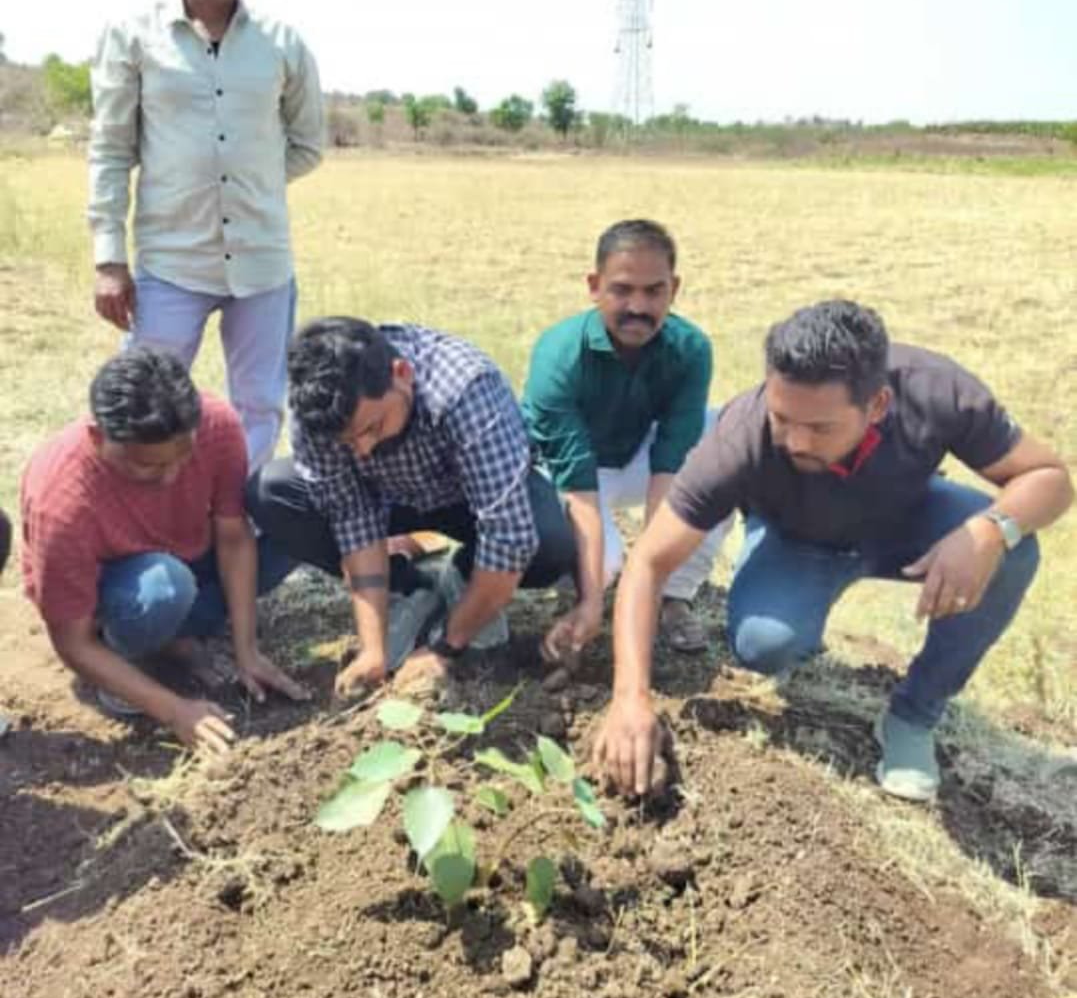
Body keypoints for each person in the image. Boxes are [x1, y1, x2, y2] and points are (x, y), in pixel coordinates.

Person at [596, 299, 1072, 802]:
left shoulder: (935, 391)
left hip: (906, 520)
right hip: (798, 538)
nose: (796, 441)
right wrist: (629, 697)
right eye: (784, 418)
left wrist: (989, 532)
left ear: (878, 405)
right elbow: (648, 562)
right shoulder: (741, 436)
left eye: (821, 427)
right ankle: (766, 546)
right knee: (764, 644)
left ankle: (913, 716)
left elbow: (1050, 477)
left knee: (1015, 550)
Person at [89, 0, 324, 472]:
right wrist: (109, 259)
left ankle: (235, 526)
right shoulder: (134, 37)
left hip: (263, 262)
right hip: (172, 262)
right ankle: (134, 520)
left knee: (261, 405)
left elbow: (307, 144)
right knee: (140, 399)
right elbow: (112, 149)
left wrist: (250, 186)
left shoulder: (282, 45)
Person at [248, 318, 577, 695]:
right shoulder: (320, 416)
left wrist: (442, 649)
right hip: (389, 499)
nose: (364, 450)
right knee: (271, 491)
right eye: (349, 442)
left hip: (469, 498)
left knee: (549, 543)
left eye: (373, 427)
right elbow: (353, 520)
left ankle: (468, 577)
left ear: (402, 374)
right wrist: (374, 651)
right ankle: (410, 586)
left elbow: (509, 536)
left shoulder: (464, 389)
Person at [20, 348, 307, 755]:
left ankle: (179, 635)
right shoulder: (61, 501)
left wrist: (247, 650)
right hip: (124, 593)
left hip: (188, 555)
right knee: (164, 587)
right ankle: (130, 655)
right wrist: (175, 711)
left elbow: (232, 535)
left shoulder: (216, 425)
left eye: (182, 457)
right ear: (99, 439)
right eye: (148, 467)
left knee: (292, 525)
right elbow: (72, 642)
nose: (171, 476)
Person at [522, 219, 729, 662]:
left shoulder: (690, 348)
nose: (638, 306)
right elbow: (578, 488)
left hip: (635, 454)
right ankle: (578, 580)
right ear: (594, 286)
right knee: (606, 567)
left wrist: (650, 581)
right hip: (567, 472)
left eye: (654, 291)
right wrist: (595, 602)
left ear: (674, 288)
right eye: (622, 290)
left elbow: (671, 469)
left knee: (724, 449)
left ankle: (675, 596)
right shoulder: (559, 354)